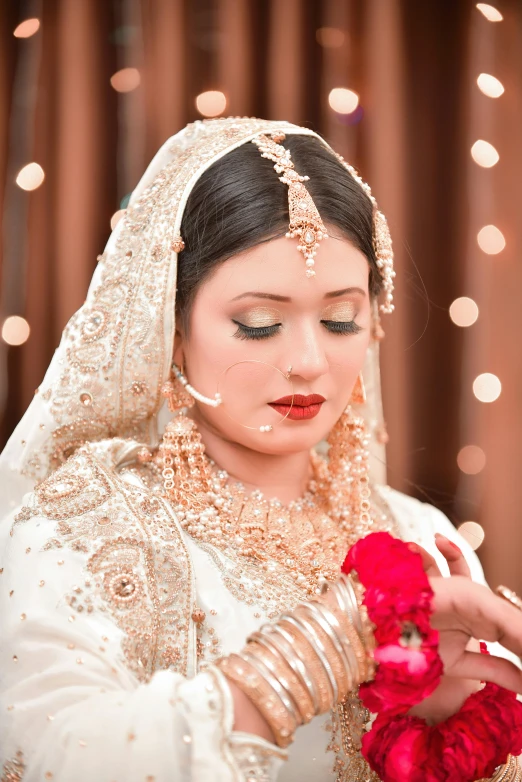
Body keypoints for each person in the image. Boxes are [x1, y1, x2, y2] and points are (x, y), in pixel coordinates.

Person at [1, 117, 522, 782]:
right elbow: (51, 757)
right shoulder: (83, 529)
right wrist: (326, 646)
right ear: (173, 326)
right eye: (258, 324)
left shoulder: (421, 535)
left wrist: (445, 729)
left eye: (341, 320)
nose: (308, 362)